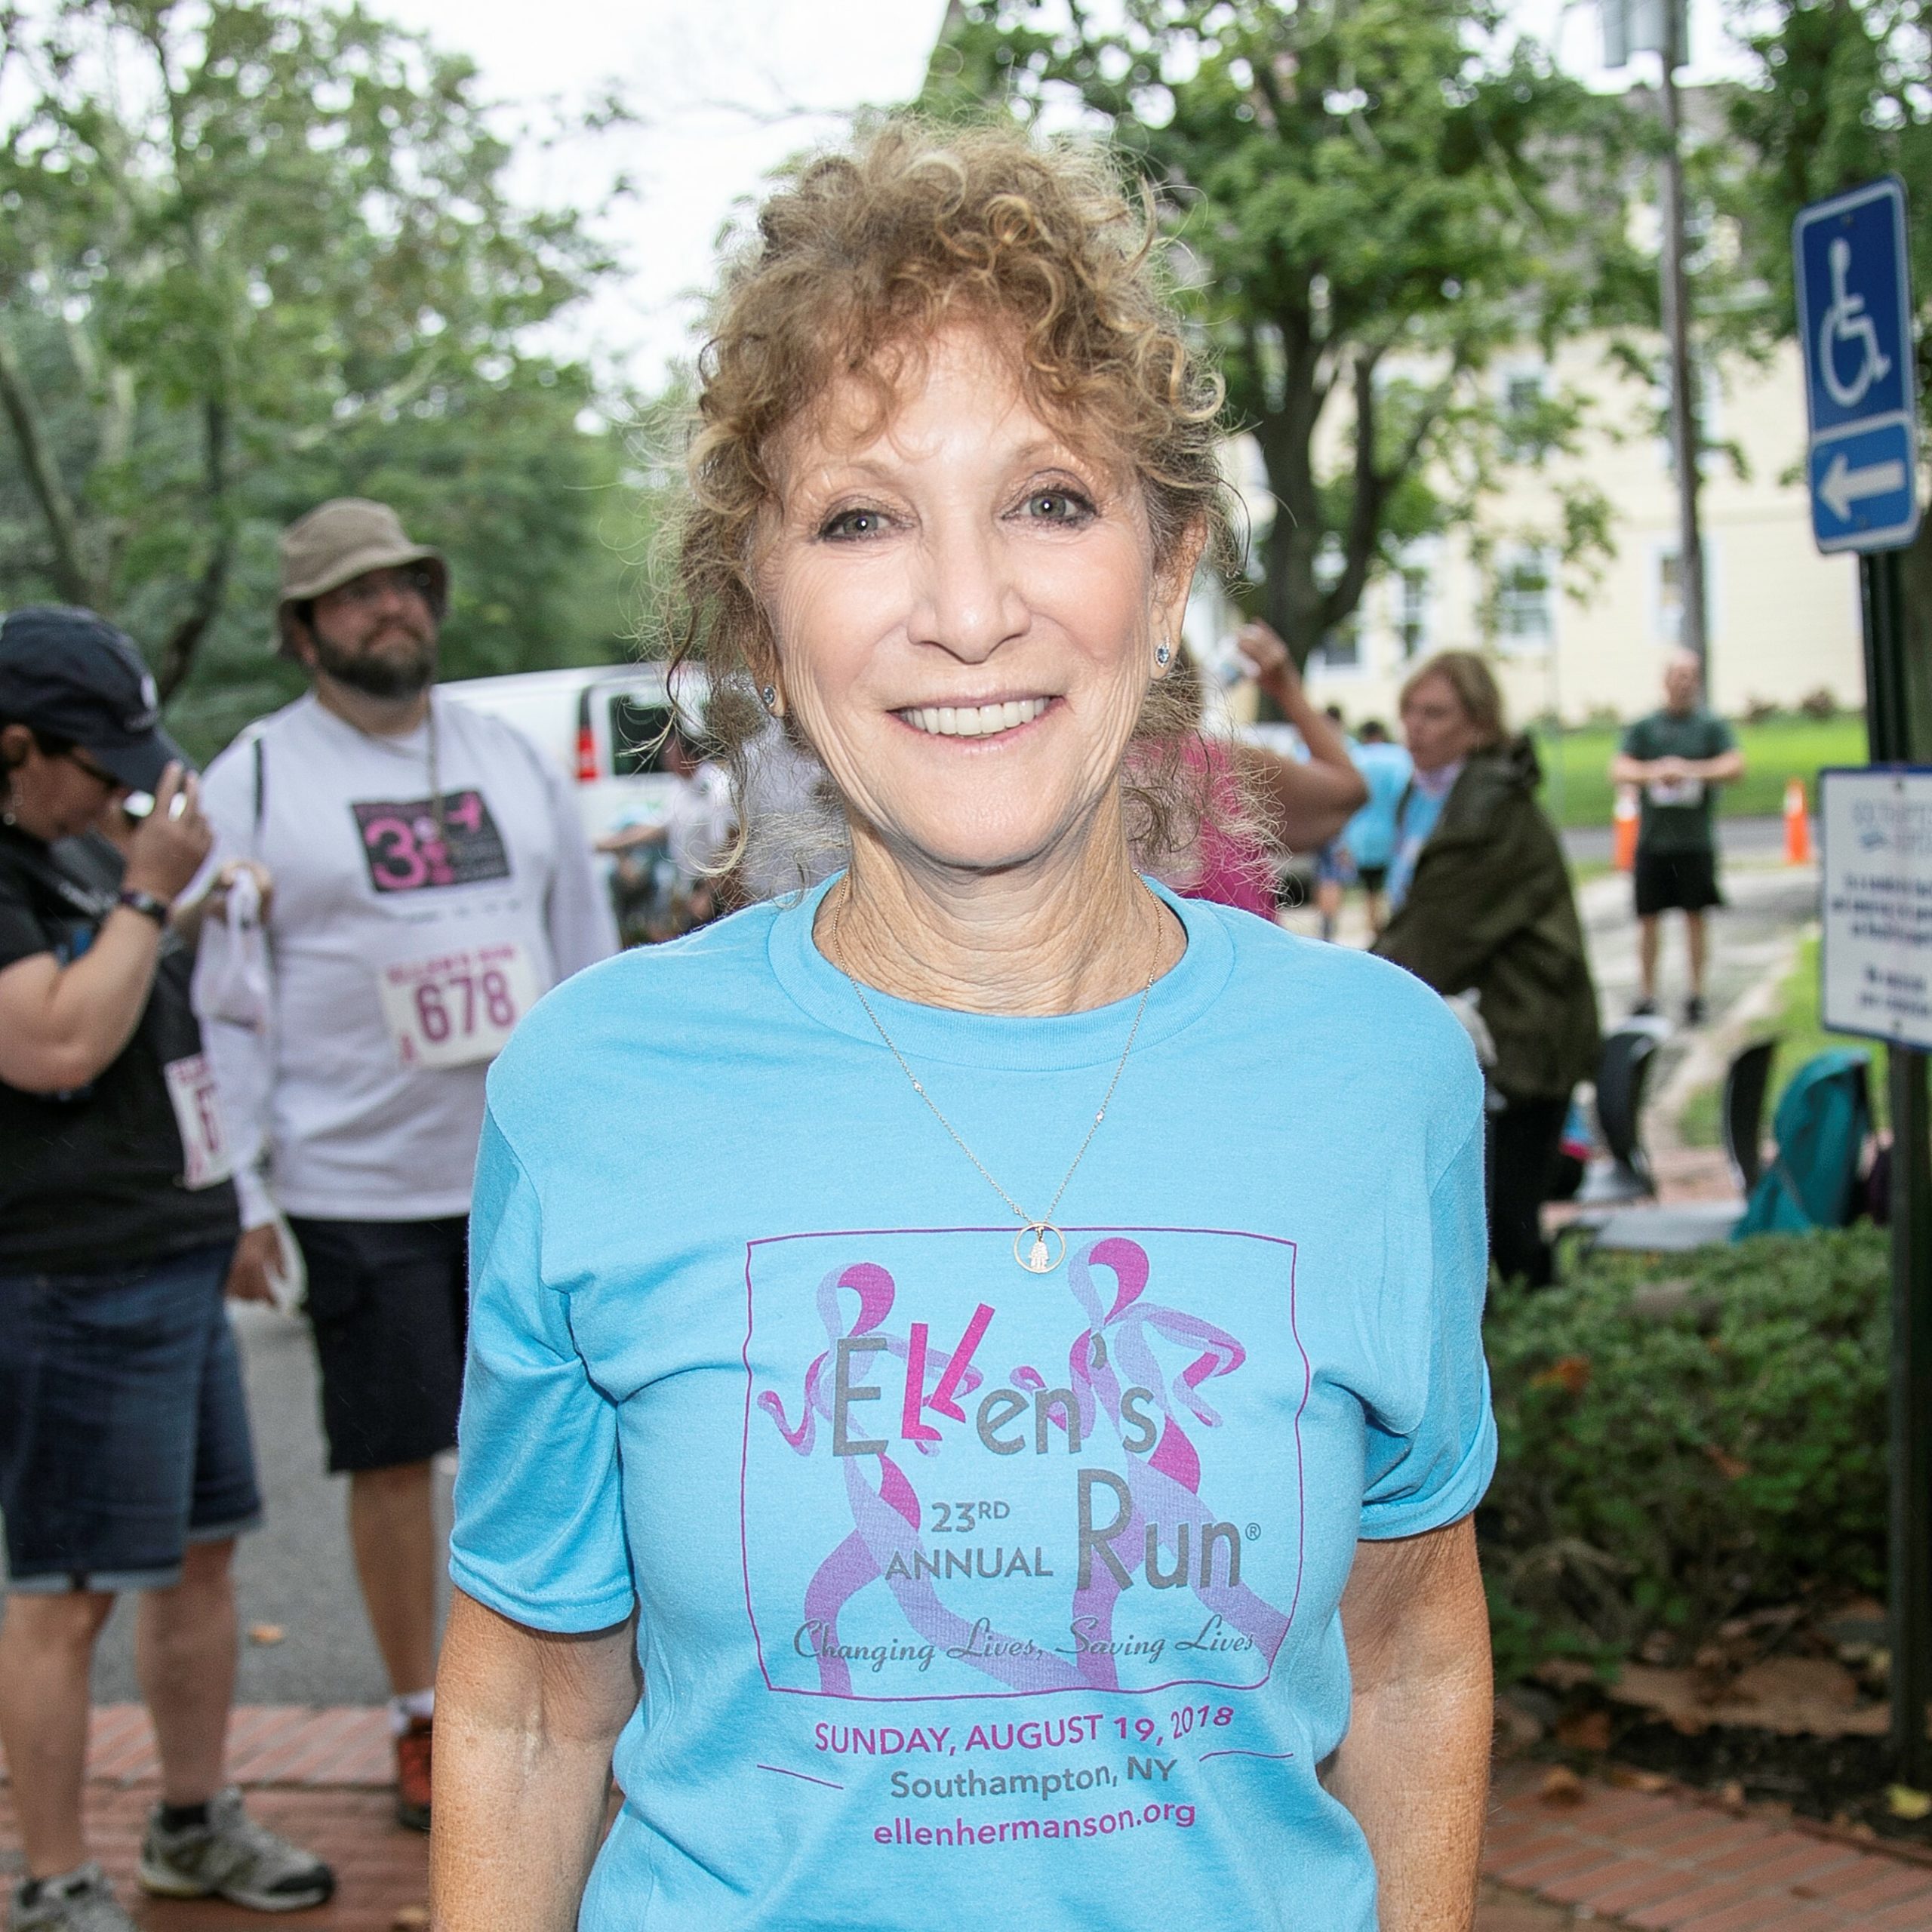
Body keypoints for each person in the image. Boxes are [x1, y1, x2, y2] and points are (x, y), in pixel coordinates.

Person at [433, 122, 1495, 1932]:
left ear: (1165, 576)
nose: (964, 607)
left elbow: (1402, 1659)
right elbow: (529, 1708)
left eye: (1048, 499)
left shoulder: (1376, 1076)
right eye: (859, 517)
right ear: (758, 614)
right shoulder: (593, 1087)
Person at [191, 500, 618, 1831]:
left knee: (571, 1437)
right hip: (355, 1181)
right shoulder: (254, 778)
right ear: (307, 629)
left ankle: (579, 1708)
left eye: (409, 587)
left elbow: (586, 940)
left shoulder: (505, 754)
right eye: (359, 596)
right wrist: (244, 1192)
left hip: (525, 1165)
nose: (394, 612)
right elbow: (219, 1000)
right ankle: (417, 1718)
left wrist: (614, 1128)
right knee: (393, 1458)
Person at [0, 608, 333, 1931]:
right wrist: (149, 887)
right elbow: (55, 1045)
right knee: (65, 1596)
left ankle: (191, 1822)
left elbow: (124, 992)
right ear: (17, 746)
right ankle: (52, 1877)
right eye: (97, 764)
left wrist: (179, 902)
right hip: (68, 1276)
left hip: (168, 1249)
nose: (120, 792)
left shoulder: (64, 851)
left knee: (202, 1560)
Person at [1374, 653, 1601, 1289]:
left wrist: (1340, 988)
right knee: (1487, 1224)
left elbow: (1431, 941)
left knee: (1504, 1225)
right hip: (1490, 1035)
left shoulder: (1487, 811)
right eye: (1410, 712)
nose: (1415, 728)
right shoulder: (1429, 798)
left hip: (1525, 1034)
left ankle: (1549, 1357)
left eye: (1436, 714)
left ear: (1477, 725)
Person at [1610, 650, 1745, 1024]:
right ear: (1665, 680)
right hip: (1653, 843)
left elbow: (1735, 765)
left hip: (1694, 842)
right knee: (1648, 919)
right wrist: (1656, 772)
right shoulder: (1646, 728)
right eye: (1678, 675)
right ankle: (1648, 993)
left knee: (1695, 918)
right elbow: (1619, 768)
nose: (1685, 682)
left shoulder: (1710, 727)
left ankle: (1696, 993)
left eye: (1692, 675)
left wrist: (1691, 771)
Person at [1343, 720, 1412, 937]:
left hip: (1361, 836)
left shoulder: (1355, 758)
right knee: (1395, 888)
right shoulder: (1399, 758)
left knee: (1370, 892)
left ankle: (1375, 933)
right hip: (1394, 833)